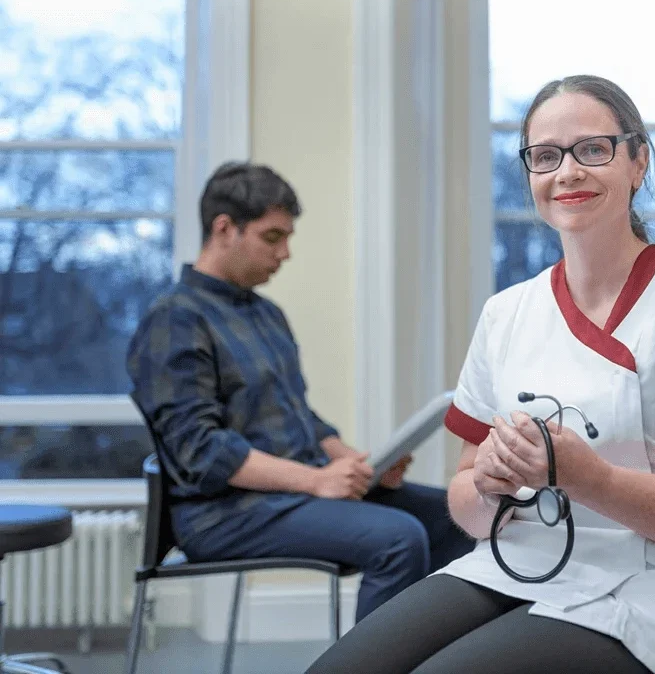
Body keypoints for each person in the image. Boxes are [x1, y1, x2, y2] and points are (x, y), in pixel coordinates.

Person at [304, 75, 655, 674]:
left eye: (594, 149)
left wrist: (593, 481)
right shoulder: (506, 313)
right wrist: (490, 486)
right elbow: (465, 497)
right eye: (546, 156)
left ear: (638, 162)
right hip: (515, 564)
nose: (567, 172)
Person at [126, 162, 474, 623]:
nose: (285, 253)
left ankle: (422, 658)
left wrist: (359, 465)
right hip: (221, 513)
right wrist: (315, 480)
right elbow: (201, 452)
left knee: (455, 516)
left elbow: (300, 418)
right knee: (398, 538)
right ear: (224, 229)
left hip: (291, 494)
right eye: (273, 237)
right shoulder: (174, 319)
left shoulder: (266, 314)